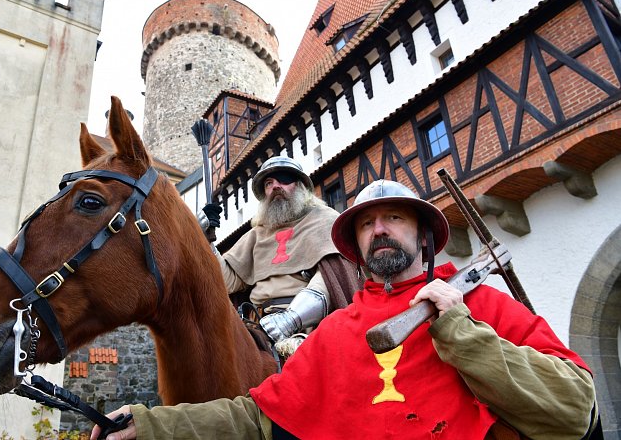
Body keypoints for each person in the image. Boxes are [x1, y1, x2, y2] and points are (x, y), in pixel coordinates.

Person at [91, 179, 597, 440]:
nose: (379, 229)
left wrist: (462, 332)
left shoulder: (483, 305)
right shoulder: (334, 333)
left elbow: (574, 409)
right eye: (366, 223)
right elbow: (257, 418)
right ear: (354, 247)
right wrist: (153, 425)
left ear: (423, 236)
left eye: (394, 217)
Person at [199, 155, 359, 350]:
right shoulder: (256, 235)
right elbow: (227, 281)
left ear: (300, 186)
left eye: (284, 179)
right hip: (258, 325)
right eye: (268, 183)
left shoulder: (325, 220)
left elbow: (333, 274)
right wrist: (205, 240)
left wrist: (291, 319)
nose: (275, 186)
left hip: (310, 325)